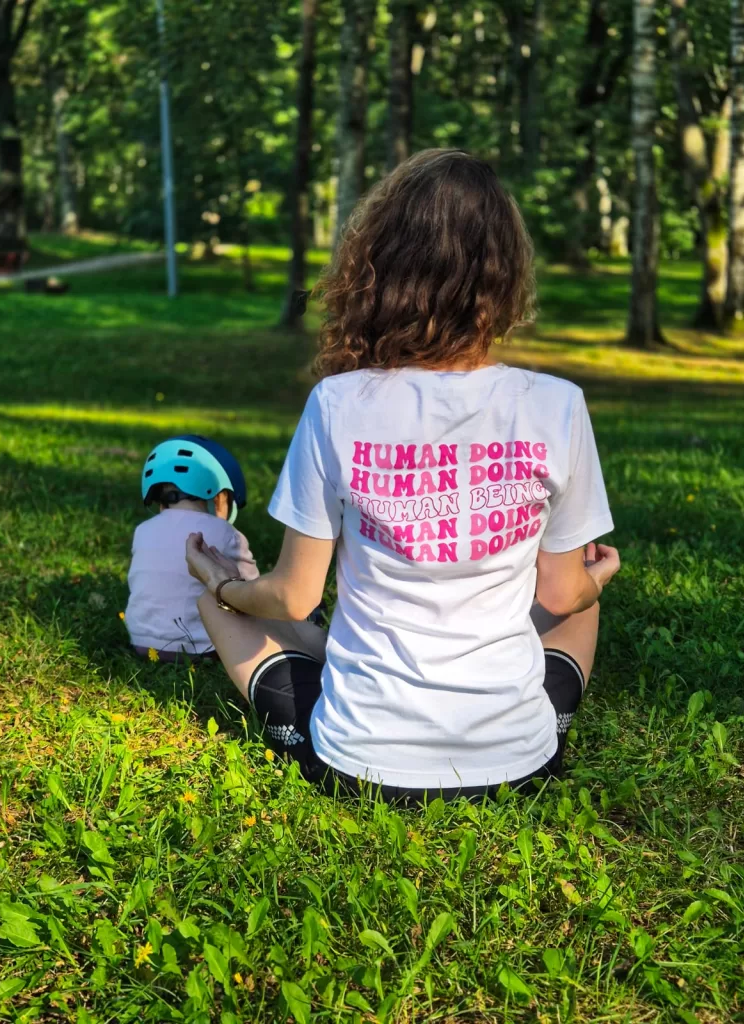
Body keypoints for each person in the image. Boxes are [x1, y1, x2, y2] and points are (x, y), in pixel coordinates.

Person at [186, 149, 621, 803]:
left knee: (217, 611)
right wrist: (597, 578)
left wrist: (224, 583)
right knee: (583, 606)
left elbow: (292, 599)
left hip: (359, 763)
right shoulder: (557, 404)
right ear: (504, 278)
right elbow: (561, 597)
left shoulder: (338, 403)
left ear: (381, 268)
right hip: (518, 763)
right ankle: (542, 723)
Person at [125, 435, 259, 662]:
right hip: (203, 649)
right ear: (218, 493)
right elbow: (253, 593)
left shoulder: (142, 530)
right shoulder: (226, 532)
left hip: (142, 643)